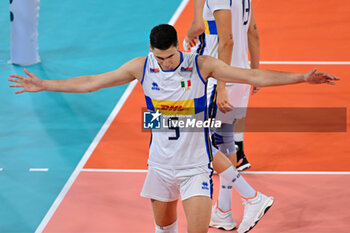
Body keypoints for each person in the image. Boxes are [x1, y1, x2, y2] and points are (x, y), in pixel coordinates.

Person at [9, 24, 338, 233]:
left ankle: (251, 198)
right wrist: (46, 84)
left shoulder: (201, 66)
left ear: (176, 48)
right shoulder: (142, 67)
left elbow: (254, 76)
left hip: (196, 169)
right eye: (158, 57)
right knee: (164, 229)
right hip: (161, 168)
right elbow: (94, 82)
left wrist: (301, 78)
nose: (163, 63)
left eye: (167, 57)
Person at [183, 0, 260, 229]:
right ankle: (224, 211)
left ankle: (252, 197)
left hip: (219, 78)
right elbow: (253, 33)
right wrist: (254, 73)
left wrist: (222, 84)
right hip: (242, 74)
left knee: (197, 138)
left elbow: (226, 39)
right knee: (226, 140)